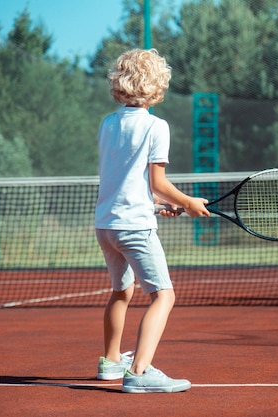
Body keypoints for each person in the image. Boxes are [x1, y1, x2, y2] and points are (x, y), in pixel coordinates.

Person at [94, 48, 210, 393]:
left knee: (121, 291)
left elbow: (129, 181)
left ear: (119, 82)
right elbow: (157, 182)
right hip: (134, 228)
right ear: (158, 84)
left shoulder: (107, 123)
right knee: (164, 296)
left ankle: (112, 362)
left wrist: (158, 205)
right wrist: (188, 202)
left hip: (107, 225)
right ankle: (139, 373)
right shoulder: (156, 126)